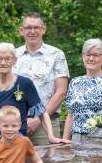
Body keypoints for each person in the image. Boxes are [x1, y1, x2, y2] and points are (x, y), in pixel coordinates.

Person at [0, 42, 65, 144]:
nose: (3, 62)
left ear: (14, 60)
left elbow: (42, 113)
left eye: (7, 59)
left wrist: (51, 137)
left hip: (16, 140)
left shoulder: (24, 84)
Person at [14, 13, 69, 145]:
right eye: (28, 28)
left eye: (36, 27)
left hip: (46, 125)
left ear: (43, 29)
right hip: (15, 125)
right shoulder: (13, 55)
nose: (32, 31)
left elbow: (61, 92)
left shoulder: (56, 54)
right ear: (21, 31)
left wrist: (38, 120)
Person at [63, 38, 102, 142]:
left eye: (95, 55)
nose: (91, 58)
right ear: (83, 57)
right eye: (87, 55)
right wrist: (64, 141)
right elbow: (70, 115)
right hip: (76, 138)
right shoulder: (75, 82)